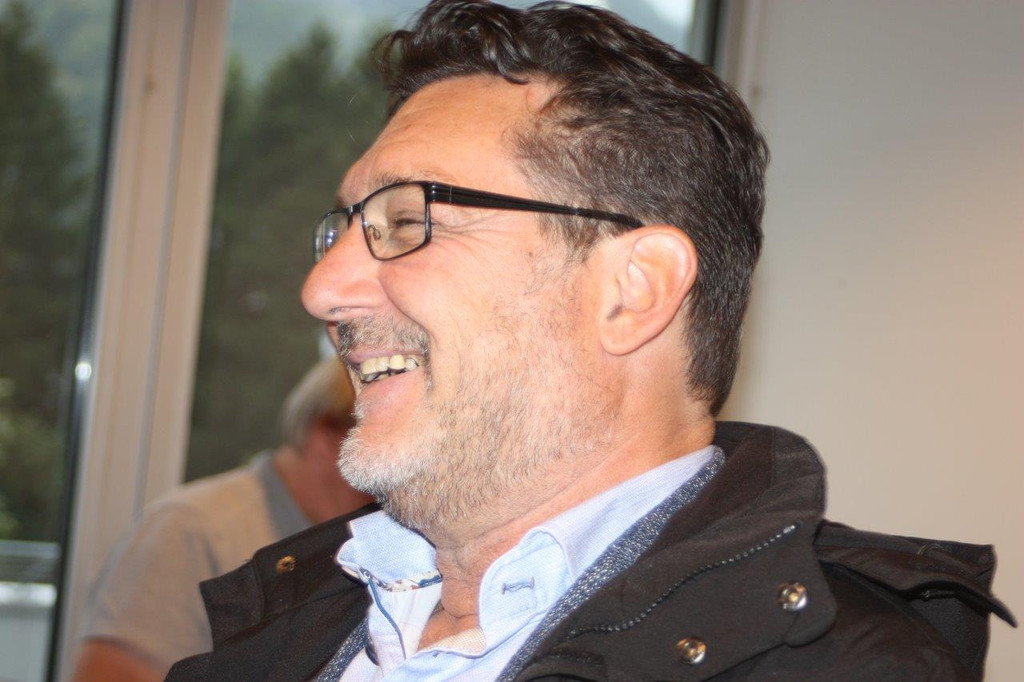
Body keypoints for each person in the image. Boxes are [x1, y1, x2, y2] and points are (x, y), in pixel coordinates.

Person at [169, 2, 1014, 680]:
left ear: (632, 291)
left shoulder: (845, 665)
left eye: (406, 218)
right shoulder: (281, 621)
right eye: (344, 228)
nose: (322, 288)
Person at [71, 359, 373, 681]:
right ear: (326, 434)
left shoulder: (357, 544)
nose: (391, 485)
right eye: (377, 450)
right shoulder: (191, 531)